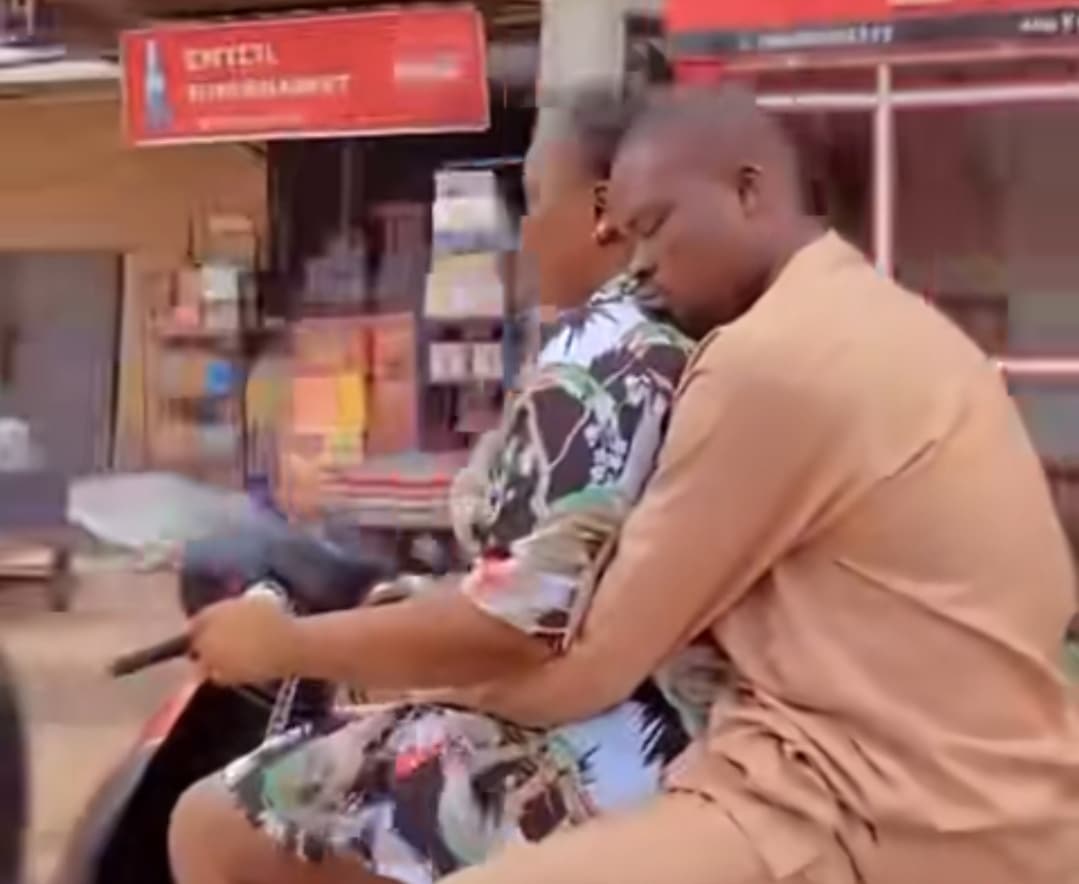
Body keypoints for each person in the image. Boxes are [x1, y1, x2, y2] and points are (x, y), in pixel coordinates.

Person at [436, 86, 1079, 884]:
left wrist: (399, 675)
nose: (639, 263)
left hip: (862, 809)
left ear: (748, 191)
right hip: (999, 796)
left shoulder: (767, 361)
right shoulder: (886, 319)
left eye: (654, 226)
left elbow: (594, 665)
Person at [168, 88, 729, 884]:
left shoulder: (607, 352)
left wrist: (286, 643)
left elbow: (511, 626)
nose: (524, 233)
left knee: (215, 825)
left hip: (624, 744)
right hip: (686, 717)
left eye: (535, 200)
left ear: (605, 208)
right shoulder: (697, 329)